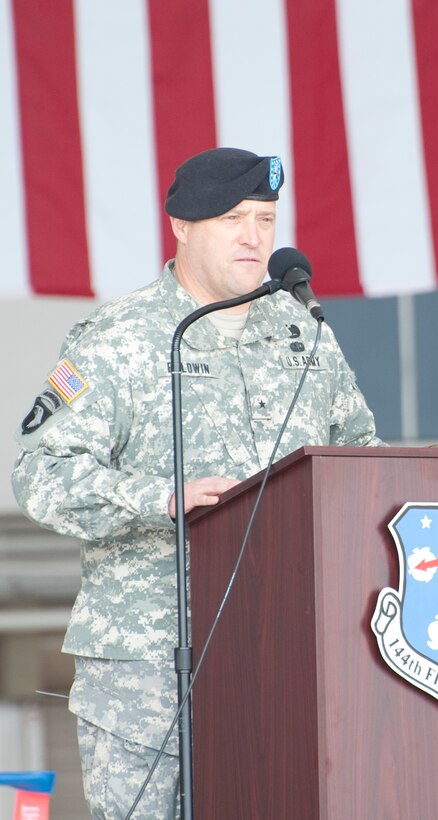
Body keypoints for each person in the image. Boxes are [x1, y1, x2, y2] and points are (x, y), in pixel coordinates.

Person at [12, 147, 386, 818]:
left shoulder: (305, 331)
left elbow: (363, 461)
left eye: (266, 219)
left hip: (287, 651)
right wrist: (159, 497)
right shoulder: (116, 339)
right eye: (232, 218)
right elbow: (41, 475)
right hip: (147, 664)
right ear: (182, 226)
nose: (254, 236)